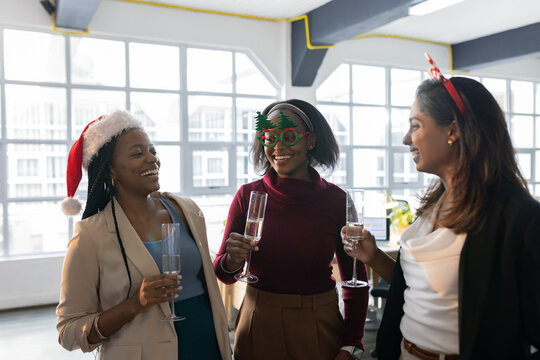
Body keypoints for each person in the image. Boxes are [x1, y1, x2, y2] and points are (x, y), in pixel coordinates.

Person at [345, 54, 540, 360]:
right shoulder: (433, 205)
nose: (406, 138)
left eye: (415, 125)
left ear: (453, 131)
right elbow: (422, 291)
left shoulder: (519, 218)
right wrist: (373, 257)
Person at [56, 110, 232, 360]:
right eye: (137, 153)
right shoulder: (90, 235)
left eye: (153, 151)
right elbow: (69, 332)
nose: (152, 159)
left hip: (207, 346)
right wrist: (134, 304)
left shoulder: (188, 210)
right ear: (111, 171)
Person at [213, 99, 369, 360]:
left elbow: (356, 279)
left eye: (288, 136)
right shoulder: (247, 195)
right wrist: (232, 259)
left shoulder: (336, 201)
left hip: (317, 321)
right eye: (269, 137)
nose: (278, 147)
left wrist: (351, 345)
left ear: (311, 141)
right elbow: (224, 273)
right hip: (258, 320)